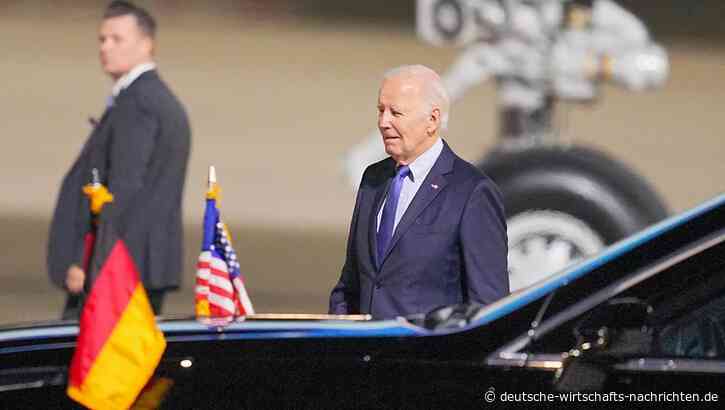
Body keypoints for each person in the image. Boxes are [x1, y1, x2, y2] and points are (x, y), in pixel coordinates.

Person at [329, 65, 509, 320]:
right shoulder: (373, 179)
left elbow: (489, 308)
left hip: (427, 357)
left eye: (396, 113)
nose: (383, 122)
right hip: (364, 353)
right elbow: (350, 286)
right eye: (381, 110)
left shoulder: (472, 192)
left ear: (432, 120)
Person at [47, 1, 191, 319]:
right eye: (102, 39)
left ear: (146, 44)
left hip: (117, 271)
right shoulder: (147, 98)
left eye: (116, 39)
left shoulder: (139, 102)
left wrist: (91, 263)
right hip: (132, 264)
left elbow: (125, 190)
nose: (105, 47)